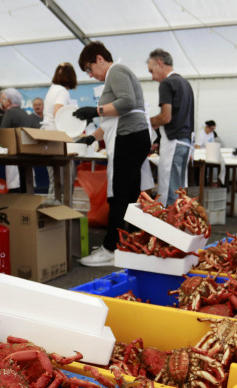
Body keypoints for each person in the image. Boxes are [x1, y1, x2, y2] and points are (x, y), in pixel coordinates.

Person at [74, 41, 152, 267]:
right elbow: (111, 119)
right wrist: (92, 136)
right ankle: (135, 244)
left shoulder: (116, 71)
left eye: (89, 69)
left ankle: (111, 248)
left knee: (119, 194)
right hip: (132, 135)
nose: (91, 74)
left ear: (99, 59)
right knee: (130, 195)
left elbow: (126, 103)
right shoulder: (116, 74)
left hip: (128, 136)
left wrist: (95, 110)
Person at [147, 48, 194, 207]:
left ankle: (165, 229)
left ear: (160, 63)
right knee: (179, 190)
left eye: (152, 71)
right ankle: (178, 226)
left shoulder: (167, 83)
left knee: (168, 192)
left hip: (173, 141)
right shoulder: (185, 83)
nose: (152, 77)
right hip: (185, 142)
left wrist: (146, 120)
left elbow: (165, 117)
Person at [0, 88, 40, 190]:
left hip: (14, 154)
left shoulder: (10, 113)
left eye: (3, 99)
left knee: (15, 186)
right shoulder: (24, 113)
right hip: (26, 153)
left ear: (9, 101)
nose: (1, 102)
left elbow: (2, 132)